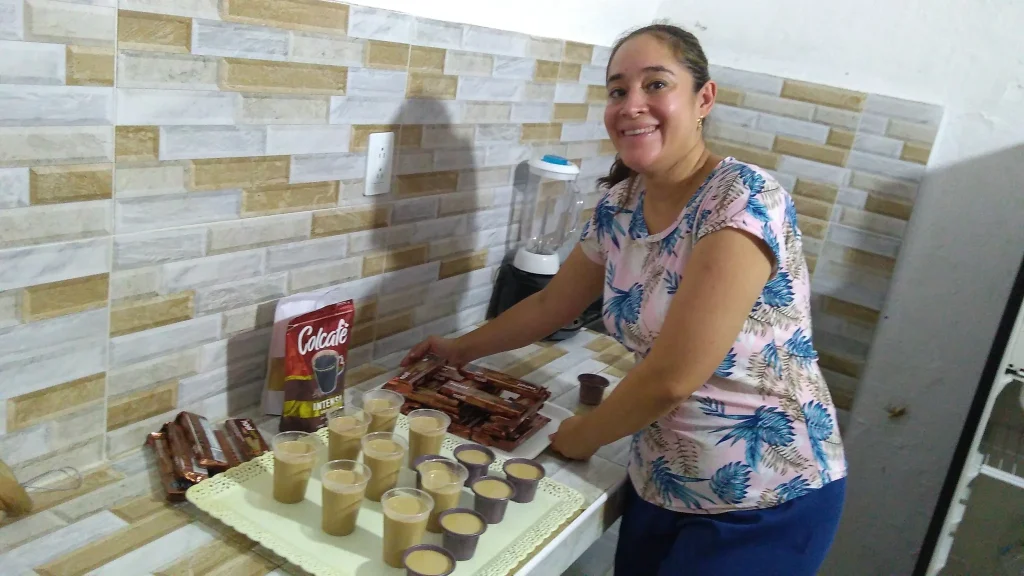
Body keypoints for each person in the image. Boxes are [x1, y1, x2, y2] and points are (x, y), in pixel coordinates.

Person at [403, 23, 847, 575]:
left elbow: (673, 377)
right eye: (618, 90)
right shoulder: (620, 205)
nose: (632, 104)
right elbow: (550, 306)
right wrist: (458, 350)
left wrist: (582, 436)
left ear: (703, 99)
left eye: (656, 84)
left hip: (765, 496)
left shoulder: (742, 199)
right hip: (661, 479)